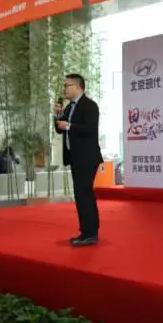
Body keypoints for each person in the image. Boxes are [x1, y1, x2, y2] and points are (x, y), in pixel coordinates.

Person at [54, 74, 103, 247]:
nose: (64, 89)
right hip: (75, 157)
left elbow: (90, 129)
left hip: (87, 157)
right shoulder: (69, 107)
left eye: (66, 85)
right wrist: (57, 116)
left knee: (84, 194)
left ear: (77, 86)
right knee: (81, 194)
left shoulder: (90, 106)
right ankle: (87, 231)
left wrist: (68, 125)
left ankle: (90, 233)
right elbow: (60, 130)